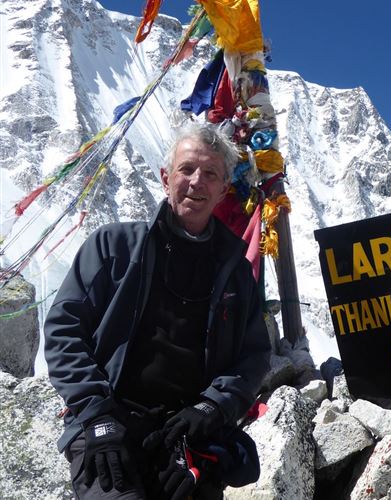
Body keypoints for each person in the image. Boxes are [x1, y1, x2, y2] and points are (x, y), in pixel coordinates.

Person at [44, 122, 271, 499]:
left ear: (223, 190)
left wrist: (212, 408)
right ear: (166, 178)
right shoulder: (113, 246)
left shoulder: (236, 271)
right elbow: (64, 328)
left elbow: (254, 356)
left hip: (186, 434)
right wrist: (95, 412)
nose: (197, 182)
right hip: (109, 420)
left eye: (210, 173)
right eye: (186, 169)